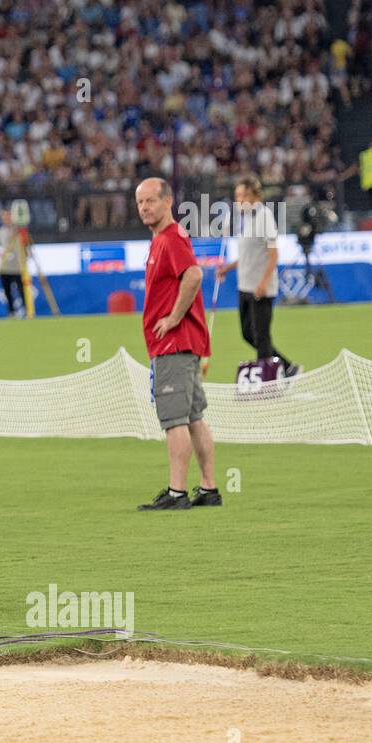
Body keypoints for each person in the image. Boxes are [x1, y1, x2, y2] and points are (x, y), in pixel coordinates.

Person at [133, 177, 220, 511]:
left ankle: (177, 492)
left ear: (167, 201)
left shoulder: (170, 239)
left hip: (175, 344)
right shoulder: (163, 240)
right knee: (194, 416)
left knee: (174, 420)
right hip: (182, 344)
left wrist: (172, 318)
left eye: (150, 201)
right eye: (140, 202)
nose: (144, 207)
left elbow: (194, 275)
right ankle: (209, 489)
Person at [217, 175, 299, 376]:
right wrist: (227, 268)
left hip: (260, 288)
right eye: (237, 196)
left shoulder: (264, 217)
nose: (240, 200)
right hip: (244, 285)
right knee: (247, 333)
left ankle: (267, 382)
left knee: (261, 336)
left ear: (255, 195)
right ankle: (287, 367)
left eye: (244, 195)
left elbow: (273, 254)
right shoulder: (245, 219)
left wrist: (263, 283)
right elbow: (248, 254)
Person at [0, 208, 26, 316]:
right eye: (4, 217)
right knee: (7, 291)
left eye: (8, 216)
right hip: (5, 266)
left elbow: (26, 244)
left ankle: (25, 310)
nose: (6, 219)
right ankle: (11, 312)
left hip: (18, 266)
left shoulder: (18, 231)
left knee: (22, 289)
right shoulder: (0, 231)